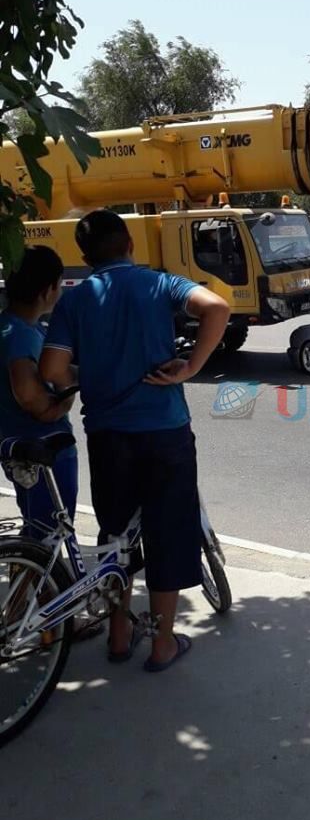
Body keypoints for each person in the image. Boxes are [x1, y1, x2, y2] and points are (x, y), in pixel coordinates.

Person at [40, 209, 230, 671]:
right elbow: (217, 308)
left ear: (83, 255)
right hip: (165, 432)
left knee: (115, 536)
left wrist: (96, 375)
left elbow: (50, 371)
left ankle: (119, 636)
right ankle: (163, 643)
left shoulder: (76, 300)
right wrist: (192, 366)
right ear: (129, 242)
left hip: (108, 437)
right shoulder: (159, 284)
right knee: (168, 533)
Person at [0, 246, 100, 640]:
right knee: (45, 538)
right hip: (46, 451)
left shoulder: (8, 326)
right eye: (58, 285)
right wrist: (64, 397)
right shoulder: (22, 338)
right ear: (47, 290)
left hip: (15, 450)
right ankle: (19, 622)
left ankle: (48, 617)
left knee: (38, 531)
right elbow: (32, 397)